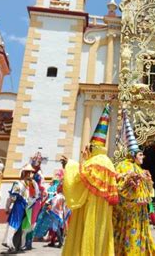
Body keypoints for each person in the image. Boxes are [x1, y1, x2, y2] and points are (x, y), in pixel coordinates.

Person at [61, 103, 119, 256]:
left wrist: (70, 164)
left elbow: (81, 176)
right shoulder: (109, 163)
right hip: (104, 210)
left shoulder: (94, 162)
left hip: (90, 207)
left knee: (88, 233)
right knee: (101, 235)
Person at [113, 109, 155, 255]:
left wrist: (148, 182)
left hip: (141, 211)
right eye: (140, 154)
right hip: (129, 211)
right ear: (132, 155)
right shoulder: (124, 165)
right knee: (129, 235)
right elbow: (119, 184)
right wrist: (130, 181)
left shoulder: (140, 169)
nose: (143, 157)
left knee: (141, 234)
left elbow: (149, 191)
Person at [2, 163, 37, 253]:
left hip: (22, 207)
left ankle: (14, 246)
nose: (31, 175)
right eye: (29, 172)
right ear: (25, 173)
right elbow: (13, 197)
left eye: (31, 173)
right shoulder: (21, 184)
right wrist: (8, 206)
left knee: (17, 226)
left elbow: (13, 197)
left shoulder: (26, 185)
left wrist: (7, 207)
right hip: (21, 207)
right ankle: (14, 245)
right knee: (16, 226)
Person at [24, 151, 45, 251]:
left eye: (38, 162)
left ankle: (28, 242)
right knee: (25, 220)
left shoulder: (39, 175)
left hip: (35, 200)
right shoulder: (28, 172)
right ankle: (22, 241)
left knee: (32, 221)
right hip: (27, 199)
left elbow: (40, 187)